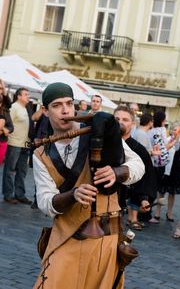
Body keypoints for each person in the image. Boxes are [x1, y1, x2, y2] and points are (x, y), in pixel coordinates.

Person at [33, 82, 145, 289]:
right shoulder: (41, 153)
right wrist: (73, 194)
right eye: (57, 105)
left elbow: (137, 165)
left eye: (69, 103)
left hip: (104, 236)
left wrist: (117, 172)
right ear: (45, 111)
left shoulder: (97, 132)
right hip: (66, 235)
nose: (65, 109)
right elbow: (45, 201)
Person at [114, 106, 157, 230]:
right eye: (117, 119)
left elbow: (146, 175)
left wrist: (144, 198)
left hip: (121, 202)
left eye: (125, 119)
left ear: (132, 124)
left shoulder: (139, 150)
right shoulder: (103, 144)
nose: (120, 122)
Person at [2, 88, 34, 204]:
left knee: (22, 171)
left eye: (28, 94)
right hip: (14, 143)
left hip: (26, 143)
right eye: (26, 94)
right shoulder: (14, 107)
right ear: (19, 96)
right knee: (10, 170)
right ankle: (8, 194)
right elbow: (7, 123)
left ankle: (20, 194)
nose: (28, 96)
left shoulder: (27, 108)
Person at [156, 124, 180, 222]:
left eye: (178, 130)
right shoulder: (167, 140)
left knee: (172, 193)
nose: (176, 132)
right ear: (171, 131)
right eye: (174, 129)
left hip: (176, 170)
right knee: (161, 191)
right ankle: (157, 212)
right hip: (166, 168)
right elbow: (162, 152)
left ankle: (169, 212)